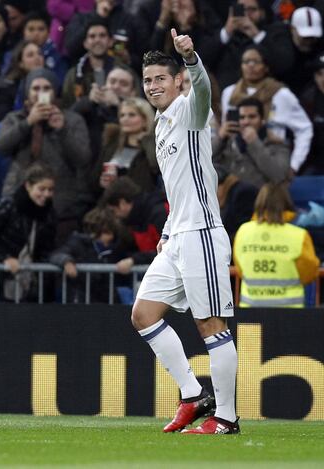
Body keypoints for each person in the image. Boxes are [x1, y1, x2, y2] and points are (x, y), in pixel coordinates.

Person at [133, 29, 239, 434]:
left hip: (203, 234)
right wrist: (167, 226)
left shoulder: (191, 112)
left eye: (160, 78)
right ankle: (194, 395)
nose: (153, 86)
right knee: (143, 315)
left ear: (177, 80)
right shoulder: (161, 124)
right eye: (148, 80)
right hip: (177, 235)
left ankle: (226, 419)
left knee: (211, 326)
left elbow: (205, 93)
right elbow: (181, 185)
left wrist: (191, 57)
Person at [0, 67, 92, 245]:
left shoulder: (72, 119)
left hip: (60, 204)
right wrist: (28, 123)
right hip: (19, 202)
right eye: (36, 88)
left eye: (46, 88)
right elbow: (0, 147)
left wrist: (62, 130)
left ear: (55, 92)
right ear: (27, 93)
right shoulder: (15, 118)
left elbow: (83, 158)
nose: (40, 94)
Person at [0, 162, 57, 302]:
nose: (46, 194)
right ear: (28, 186)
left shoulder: (49, 215)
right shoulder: (8, 206)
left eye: (50, 190)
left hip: (25, 283)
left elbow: (46, 249)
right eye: (42, 189)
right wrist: (5, 257)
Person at [221, 45, 313, 175]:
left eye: (256, 61)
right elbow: (227, 130)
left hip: (272, 162)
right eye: (246, 61)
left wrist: (294, 165)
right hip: (237, 164)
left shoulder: (281, 94)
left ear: (266, 66)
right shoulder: (229, 93)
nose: (250, 65)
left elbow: (304, 129)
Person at [233, 182, 319, 307]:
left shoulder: (243, 231)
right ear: (286, 203)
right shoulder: (299, 235)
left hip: (251, 315)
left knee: (249, 327)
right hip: (289, 315)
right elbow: (309, 272)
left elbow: (240, 269)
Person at [50, 206, 133, 303]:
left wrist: (132, 260)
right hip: (80, 302)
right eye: (106, 232)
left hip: (106, 303)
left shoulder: (116, 249)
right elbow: (57, 254)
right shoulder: (78, 243)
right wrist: (66, 261)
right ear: (96, 231)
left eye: (111, 232)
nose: (110, 237)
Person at [213, 97, 291, 189]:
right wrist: (220, 139)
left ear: (262, 120)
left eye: (252, 117)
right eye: (242, 117)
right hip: (230, 200)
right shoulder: (228, 142)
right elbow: (201, 162)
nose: (246, 122)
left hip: (261, 200)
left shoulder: (277, 144)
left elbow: (278, 176)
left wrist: (254, 143)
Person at [91, 97, 158, 194]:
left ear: (145, 120)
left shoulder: (153, 146)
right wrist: (101, 183)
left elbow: (154, 171)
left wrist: (147, 141)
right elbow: (94, 179)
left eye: (132, 115)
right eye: (122, 115)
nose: (125, 119)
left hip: (141, 204)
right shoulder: (112, 144)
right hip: (109, 202)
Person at [101, 176, 168, 274]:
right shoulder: (133, 221)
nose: (114, 215)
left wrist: (134, 260)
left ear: (122, 203)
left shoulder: (159, 213)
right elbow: (121, 249)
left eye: (113, 210)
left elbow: (168, 251)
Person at [0, 39, 44, 124]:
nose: (37, 57)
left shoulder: (49, 85)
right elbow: (0, 125)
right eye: (30, 55)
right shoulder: (4, 90)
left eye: (39, 54)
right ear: (20, 63)